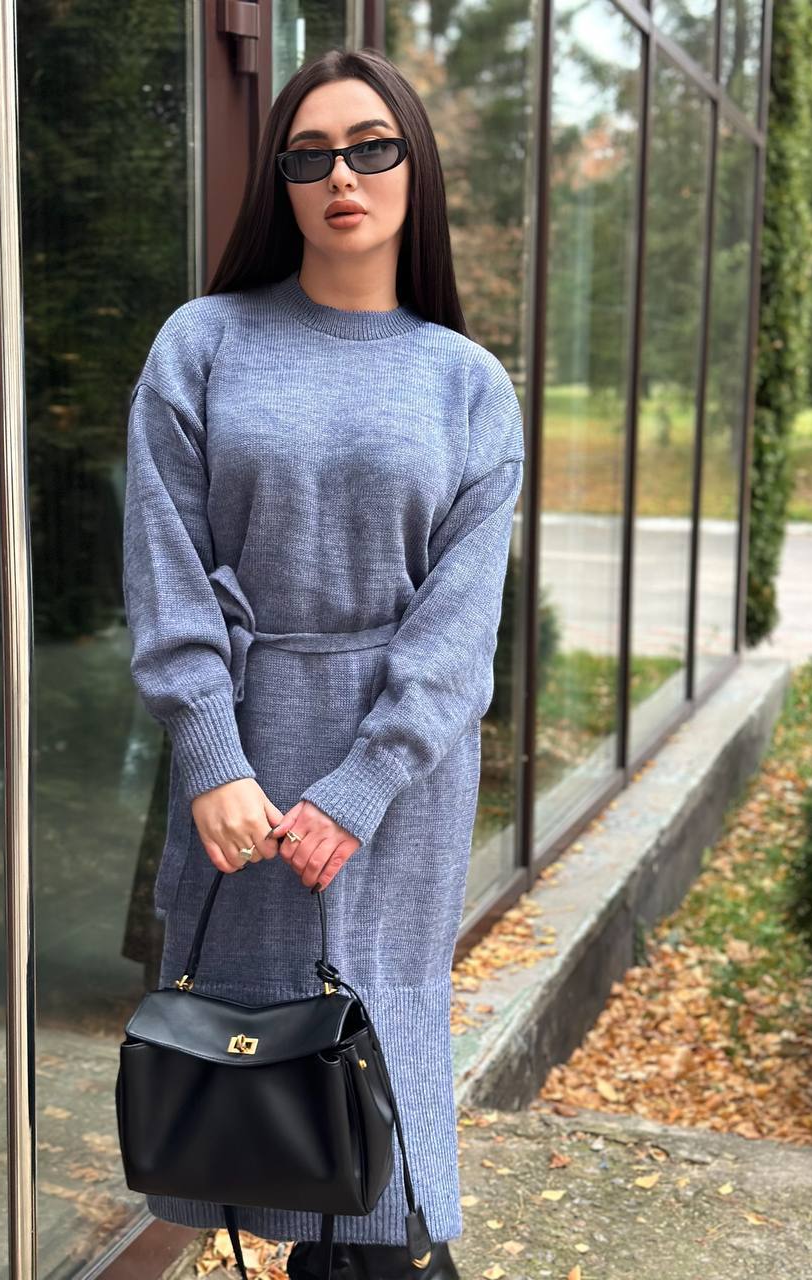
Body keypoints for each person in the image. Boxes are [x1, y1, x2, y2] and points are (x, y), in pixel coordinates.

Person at [122, 46, 525, 1280]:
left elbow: (459, 631)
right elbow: (166, 567)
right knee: (269, 1096)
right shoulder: (204, 343)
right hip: (240, 766)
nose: (341, 175)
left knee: (381, 1135)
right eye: (310, 156)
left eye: (370, 147)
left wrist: (362, 784)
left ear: (416, 166)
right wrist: (211, 756)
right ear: (281, 183)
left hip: (396, 788)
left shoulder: (466, 384)